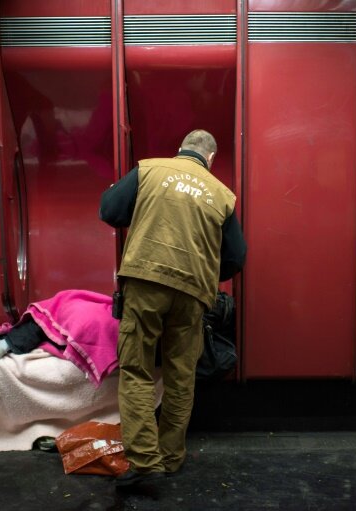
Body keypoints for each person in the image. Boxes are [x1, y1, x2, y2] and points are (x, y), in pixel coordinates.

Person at [99, 129, 246, 487]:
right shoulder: (222, 195)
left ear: (180, 150)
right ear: (210, 159)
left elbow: (109, 210)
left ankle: (146, 464)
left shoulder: (149, 170)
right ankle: (171, 459)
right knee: (182, 377)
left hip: (146, 281)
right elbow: (236, 258)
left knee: (137, 371)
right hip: (193, 292)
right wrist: (206, 272)